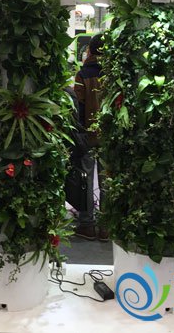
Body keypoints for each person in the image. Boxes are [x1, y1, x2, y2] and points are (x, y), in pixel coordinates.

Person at [73, 34, 107, 241]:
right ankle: (106, 226)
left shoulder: (83, 74)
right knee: (107, 179)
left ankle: (87, 225)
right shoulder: (114, 74)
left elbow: (79, 105)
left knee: (85, 178)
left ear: (90, 51)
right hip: (109, 134)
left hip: (88, 134)